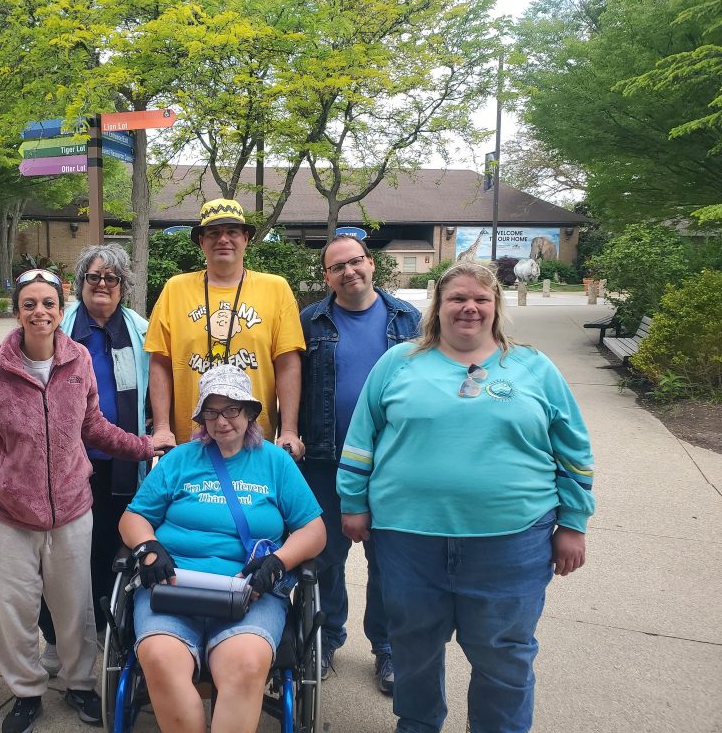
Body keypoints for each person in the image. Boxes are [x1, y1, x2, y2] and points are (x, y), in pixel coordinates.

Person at [337, 261, 596, 733]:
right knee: (413, 648)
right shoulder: (399, 363)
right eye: (457, 298)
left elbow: (574, 449)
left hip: (511, 543)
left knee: (504, 657)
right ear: (438, 306)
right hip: (408, 540)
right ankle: (417, 723)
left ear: (495, 306)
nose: (469, 307)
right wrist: (353, 502)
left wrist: (574, 523)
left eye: (480, 298)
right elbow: (361, 438)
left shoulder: (533, 367)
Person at [0, 267, 157, 733]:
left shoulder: (79, 360)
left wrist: (143, 446)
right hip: (9, 512)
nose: (39, 312)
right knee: (13, 610)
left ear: (60, 306)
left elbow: (93, 426)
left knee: (75, 605)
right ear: (17, 311)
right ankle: (26, 692)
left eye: (48, 303)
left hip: (71, 506)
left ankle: (79, 684)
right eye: (29, 304)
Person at [120, 363, 326, 733]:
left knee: (246, 663)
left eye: (232, 409)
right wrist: (148, 547)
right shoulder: (179, 459)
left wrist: (279, 562)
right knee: (159, 658)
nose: (222, 421)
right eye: (211, 411)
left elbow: (314, 530)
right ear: (201, 417)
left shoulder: (275, 462)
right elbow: (132, 518)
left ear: (249, 413)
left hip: (250, 591)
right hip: (174, 586)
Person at [298, 235, 421, 689]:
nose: (349, 272)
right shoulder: (311, 320)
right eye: (337, 267)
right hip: (325, 459)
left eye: (355, 262)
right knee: (325, 556)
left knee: (388, 561)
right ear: (326, 276)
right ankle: (326, 637)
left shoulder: (408, 319)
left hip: (392, 463)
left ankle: (387, 648)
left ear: (371, 264)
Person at [36, 245, 151, 678]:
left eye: (112, 278)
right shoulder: (58, 328)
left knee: (107, 550)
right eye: (95, 277)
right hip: (66, 466)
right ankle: (53, 636)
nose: (103, 285)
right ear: (81, 282)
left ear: (123, 286)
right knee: (60, 556)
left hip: (120, 465)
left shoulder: (141, 330)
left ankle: (103, 626)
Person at [145, 198, 305, 456]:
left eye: (232, 232)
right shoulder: (175, 289)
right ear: (201, 241)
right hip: (191, 443)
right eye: (213, 233)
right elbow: (160, 361)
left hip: (255, 441)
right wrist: (162, 427)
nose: (223, 239)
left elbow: (287, 363)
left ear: (245, 238)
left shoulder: (276, 289)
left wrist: (288, 430)